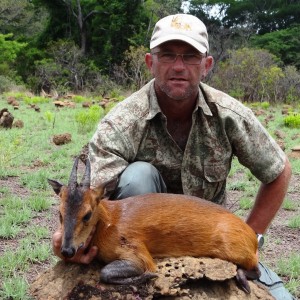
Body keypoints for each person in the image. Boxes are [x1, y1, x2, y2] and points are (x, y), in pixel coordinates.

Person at [52, 14, 294, 299]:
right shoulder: (121, 122)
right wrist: (66, 238)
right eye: (167, 55)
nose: (178, 67)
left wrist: (248, 238)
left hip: (206, 239)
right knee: (138, 175)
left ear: (206, 65)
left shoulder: (230, 115)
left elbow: (279, 172)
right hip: (141, 242)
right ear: (150, 62)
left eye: (190, 56)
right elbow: (89, 199)